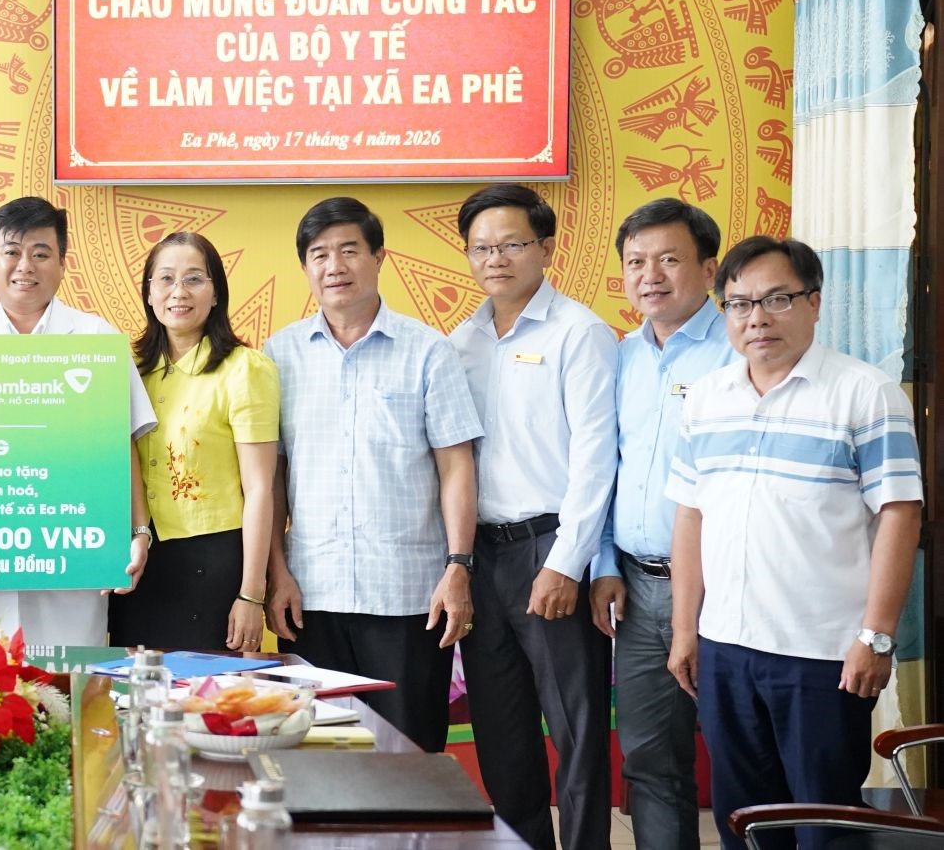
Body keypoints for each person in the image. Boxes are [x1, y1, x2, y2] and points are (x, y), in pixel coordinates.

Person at [668, 237, 922, 849]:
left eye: (776, 299)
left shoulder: (865, 393)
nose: (757, 318)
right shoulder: (706, 398)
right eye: (739, 304)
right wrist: (684, 630)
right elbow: (691, 516)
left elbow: (900, 514)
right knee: (745, 823)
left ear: (814, 302)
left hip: (823, 655)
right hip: (725, 647)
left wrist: (876, 636)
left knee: (823, 824)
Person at [263, 197, 481, 752]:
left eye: (349, 250)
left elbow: (456, 465)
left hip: (407, 596)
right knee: (320, 754)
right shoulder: (279, 355)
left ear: (379, 257)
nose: (334, 266)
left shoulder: (428, 351)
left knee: (409, 755)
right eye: (319, 254)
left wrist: (458, 566)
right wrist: (276, 573)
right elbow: (272, 477)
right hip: (312, 594)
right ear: (305, 267)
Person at [447, 183, 615, 850]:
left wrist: (566, 563)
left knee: (575, 728)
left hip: (549, 548)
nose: (496, 259)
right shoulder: (459, 342)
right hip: (480, 556)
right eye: (481, 248)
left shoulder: (580, 333)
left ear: (546, 247)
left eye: (512, 244)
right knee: (502, 728)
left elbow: (597, 458)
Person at [588, 199, 736, 849]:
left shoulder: (740, 351)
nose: (650, 276)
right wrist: (603, 563)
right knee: (650, 760)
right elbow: (603, 468)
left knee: (743, 757)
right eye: (636, 262)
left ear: (708, 269)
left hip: (726, 587)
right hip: (639, 587)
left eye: (669, 259)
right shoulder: (621, 357)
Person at [0, 196, 156, 647]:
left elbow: (123, 446)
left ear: (62, 263)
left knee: (71, 677)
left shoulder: (97, 339)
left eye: (41, 253)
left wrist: (140, 531)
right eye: (12, 251)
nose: (25, 266)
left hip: (74, 552)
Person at [111, 232, 278, 652]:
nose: (178, 292)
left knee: (208, 688)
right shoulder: (128, 370)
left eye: (194, 279)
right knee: (135, 687)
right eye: (166, 279)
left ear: (216, 292)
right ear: (149, 292)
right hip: (138, 560)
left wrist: (251, 594)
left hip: (213, 561)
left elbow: (260, 489)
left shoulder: (245, 369)